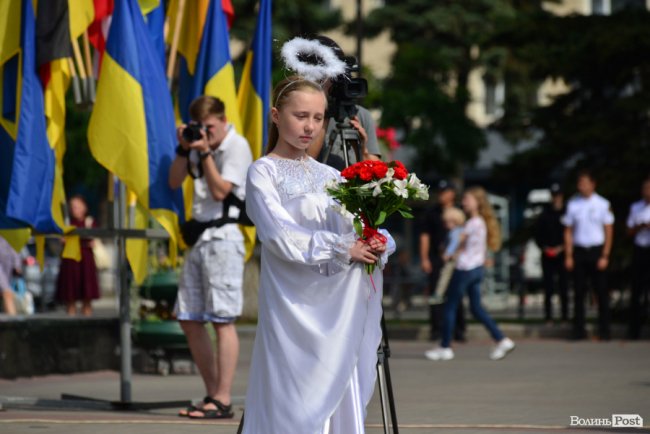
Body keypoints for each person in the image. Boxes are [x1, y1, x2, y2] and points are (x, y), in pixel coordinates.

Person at [240, 76, 395, 434]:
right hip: (293, 303)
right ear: (277, 116)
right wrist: (343, 247)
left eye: (318, 117)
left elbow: (354, 225)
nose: (310, 126)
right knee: (292, 395)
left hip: (335, 303)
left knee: (338, 384)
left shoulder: (330, 175)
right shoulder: (263, 171)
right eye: (301, 116)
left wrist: (374, 240)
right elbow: (279, 234)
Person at [169, 96, 253, 419]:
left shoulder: (236, 145)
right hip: (199, 240)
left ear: (223, 119)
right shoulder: (196, 144)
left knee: (222, 319)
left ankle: (223, 397)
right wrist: (183, 148)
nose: (206, 133)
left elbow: (220, 191)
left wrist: (204, 151)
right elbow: (174, 181)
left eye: (210, 128)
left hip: (224, 239)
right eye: (199, 128)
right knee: (189, 318)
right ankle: (212, 393)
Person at [425, 187, 515, 361]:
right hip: (477, 269)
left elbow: (457, 242)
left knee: (450, 306)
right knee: (476, 308)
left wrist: (447, 253)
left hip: (465, 269)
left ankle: (445, 347)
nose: (464, 202)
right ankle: (501, 339)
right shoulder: (480, 222)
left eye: (467, 199)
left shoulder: (472, 223)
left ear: (477, 202)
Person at [305, 35, 382, 169]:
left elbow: (375, 171)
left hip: (350, 188)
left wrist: (362, 149)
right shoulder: (299, 113)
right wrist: (323, 113)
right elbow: (303, 166)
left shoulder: (360, 115)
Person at [563, 170, 614, 341]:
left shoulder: (602, 204)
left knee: (601, 292)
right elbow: (568, 231)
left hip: (596, 251)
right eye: (579, 183)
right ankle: (578, 331)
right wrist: (568, 255)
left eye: (584, 182)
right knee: (578, 293)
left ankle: (605, 331)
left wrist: (605, 255)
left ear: (593, 184)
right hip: (579, 251)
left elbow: (608, 230)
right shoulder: (573, 204)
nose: (581, 186)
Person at [419, 180, 466, 341]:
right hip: (437, 258)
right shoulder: (431, 213)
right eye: (440, 192)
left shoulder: (461, 210)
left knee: (457, 294)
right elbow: (425, 236)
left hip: (457, 259)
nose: (442, 196)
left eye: (445, 192)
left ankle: (459, 330)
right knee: (436, 294)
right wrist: (425, 258)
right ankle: (436, 329)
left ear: (452, 193)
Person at [55, 195, 100, 316]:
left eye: (77, 206)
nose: (74, 209)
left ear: (84, 207)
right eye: (72, 207)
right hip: (70, 262)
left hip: (85, 261)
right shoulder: (67, 223)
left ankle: (87, 324)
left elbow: (94, 240)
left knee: (87, 296)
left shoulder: (89, 222)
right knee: (70, 296)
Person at [534, 183, 569, 324]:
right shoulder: (545, 213)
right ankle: (548, 317)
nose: (556, 198)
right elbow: (537, 234)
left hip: (563, 254)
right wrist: (545, 248)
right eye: (554, 195)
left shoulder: (567, 212)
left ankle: (565, 317)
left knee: (564, 286)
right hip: (547, 254)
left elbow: (571, 233)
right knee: (548, 287)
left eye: (558, 195)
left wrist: (562, 248)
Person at [626, 176, 650, 339]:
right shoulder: (636, 207)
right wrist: (640, 226)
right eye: (645, 188)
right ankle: (634, 331)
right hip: (640, 250)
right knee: (637, 292)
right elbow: (628, 231)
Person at [434, 206, 466, 298]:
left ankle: (439, 293)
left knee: (445, 273)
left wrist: (447, 254)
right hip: (459, 257)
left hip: (454, 257)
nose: (446, 224)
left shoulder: (454, 232)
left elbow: (453, 243)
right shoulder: (459, 230)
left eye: (448, 222)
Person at [0, 235, 20, 315]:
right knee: (7, 292)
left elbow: (12, 245)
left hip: (7, 262)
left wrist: (16, 263)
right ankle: (13, 324)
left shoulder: (7, 227)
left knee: (5, 293)